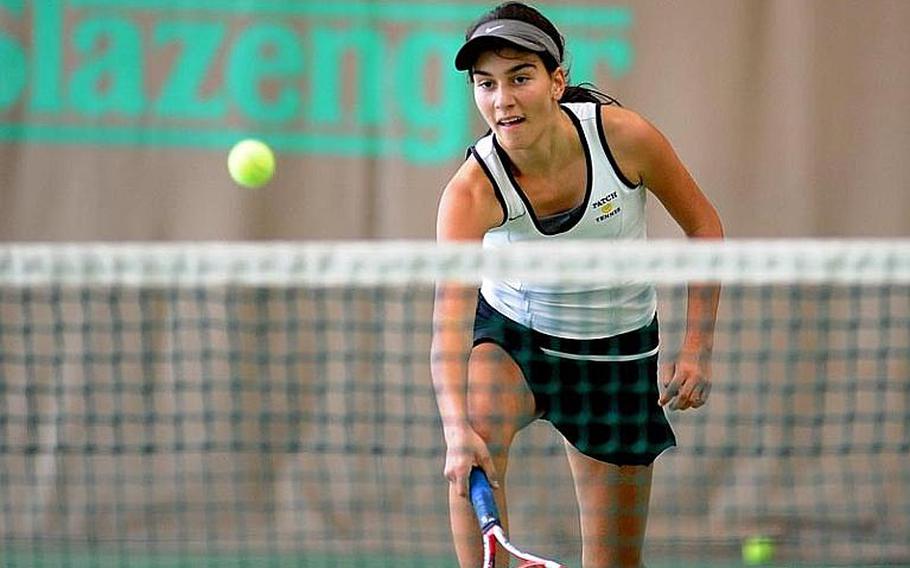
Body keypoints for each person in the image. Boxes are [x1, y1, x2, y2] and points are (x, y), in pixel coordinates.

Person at [430, 2, 724, 567]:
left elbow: (703, 225)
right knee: (475, 447)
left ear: (556, 80)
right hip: (515, 340)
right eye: (485, 83)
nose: (502, 99)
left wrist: (696, 349)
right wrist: (454, 431)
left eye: (520, 77)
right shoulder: (471, 192)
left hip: (616, 350)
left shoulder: (625, 139)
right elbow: (447, 325)